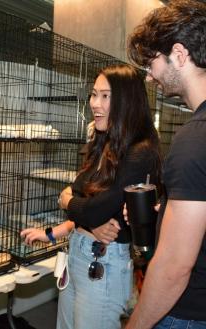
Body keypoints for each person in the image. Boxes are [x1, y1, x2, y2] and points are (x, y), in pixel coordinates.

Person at [21, 64, 161, 329]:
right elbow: (81, 195)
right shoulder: (104, 142)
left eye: (105, 96)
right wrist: (77, 216)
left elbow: (96, 207)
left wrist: (68, 202)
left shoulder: (140, 151)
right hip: (78, 252)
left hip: (104, 261)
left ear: (126, 101)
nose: (95, 103)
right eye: (93, 94)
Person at [124, 1, 206, 328]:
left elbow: (173, 269)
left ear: (179, 54)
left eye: (151, 62)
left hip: (186, 314)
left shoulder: (193, 140)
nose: (148, 75)